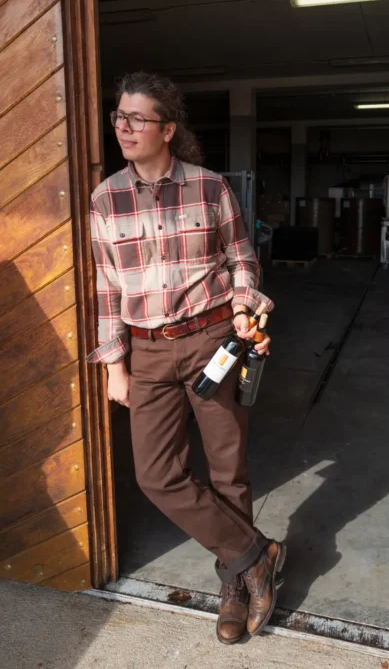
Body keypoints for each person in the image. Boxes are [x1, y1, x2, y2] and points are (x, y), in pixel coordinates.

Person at [86, 72, 285, 645]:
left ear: (167, 129)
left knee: (228, 469)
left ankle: (234, 584)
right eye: (119, 117)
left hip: (212, 342)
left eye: (137, 118)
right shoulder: (106, 198)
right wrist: (114, 365)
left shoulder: (210, 187)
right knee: (156, 475)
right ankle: (255, 554)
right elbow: (106, 290)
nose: (123, 127)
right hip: (146, 353)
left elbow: (243, 261)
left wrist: (246, 312)